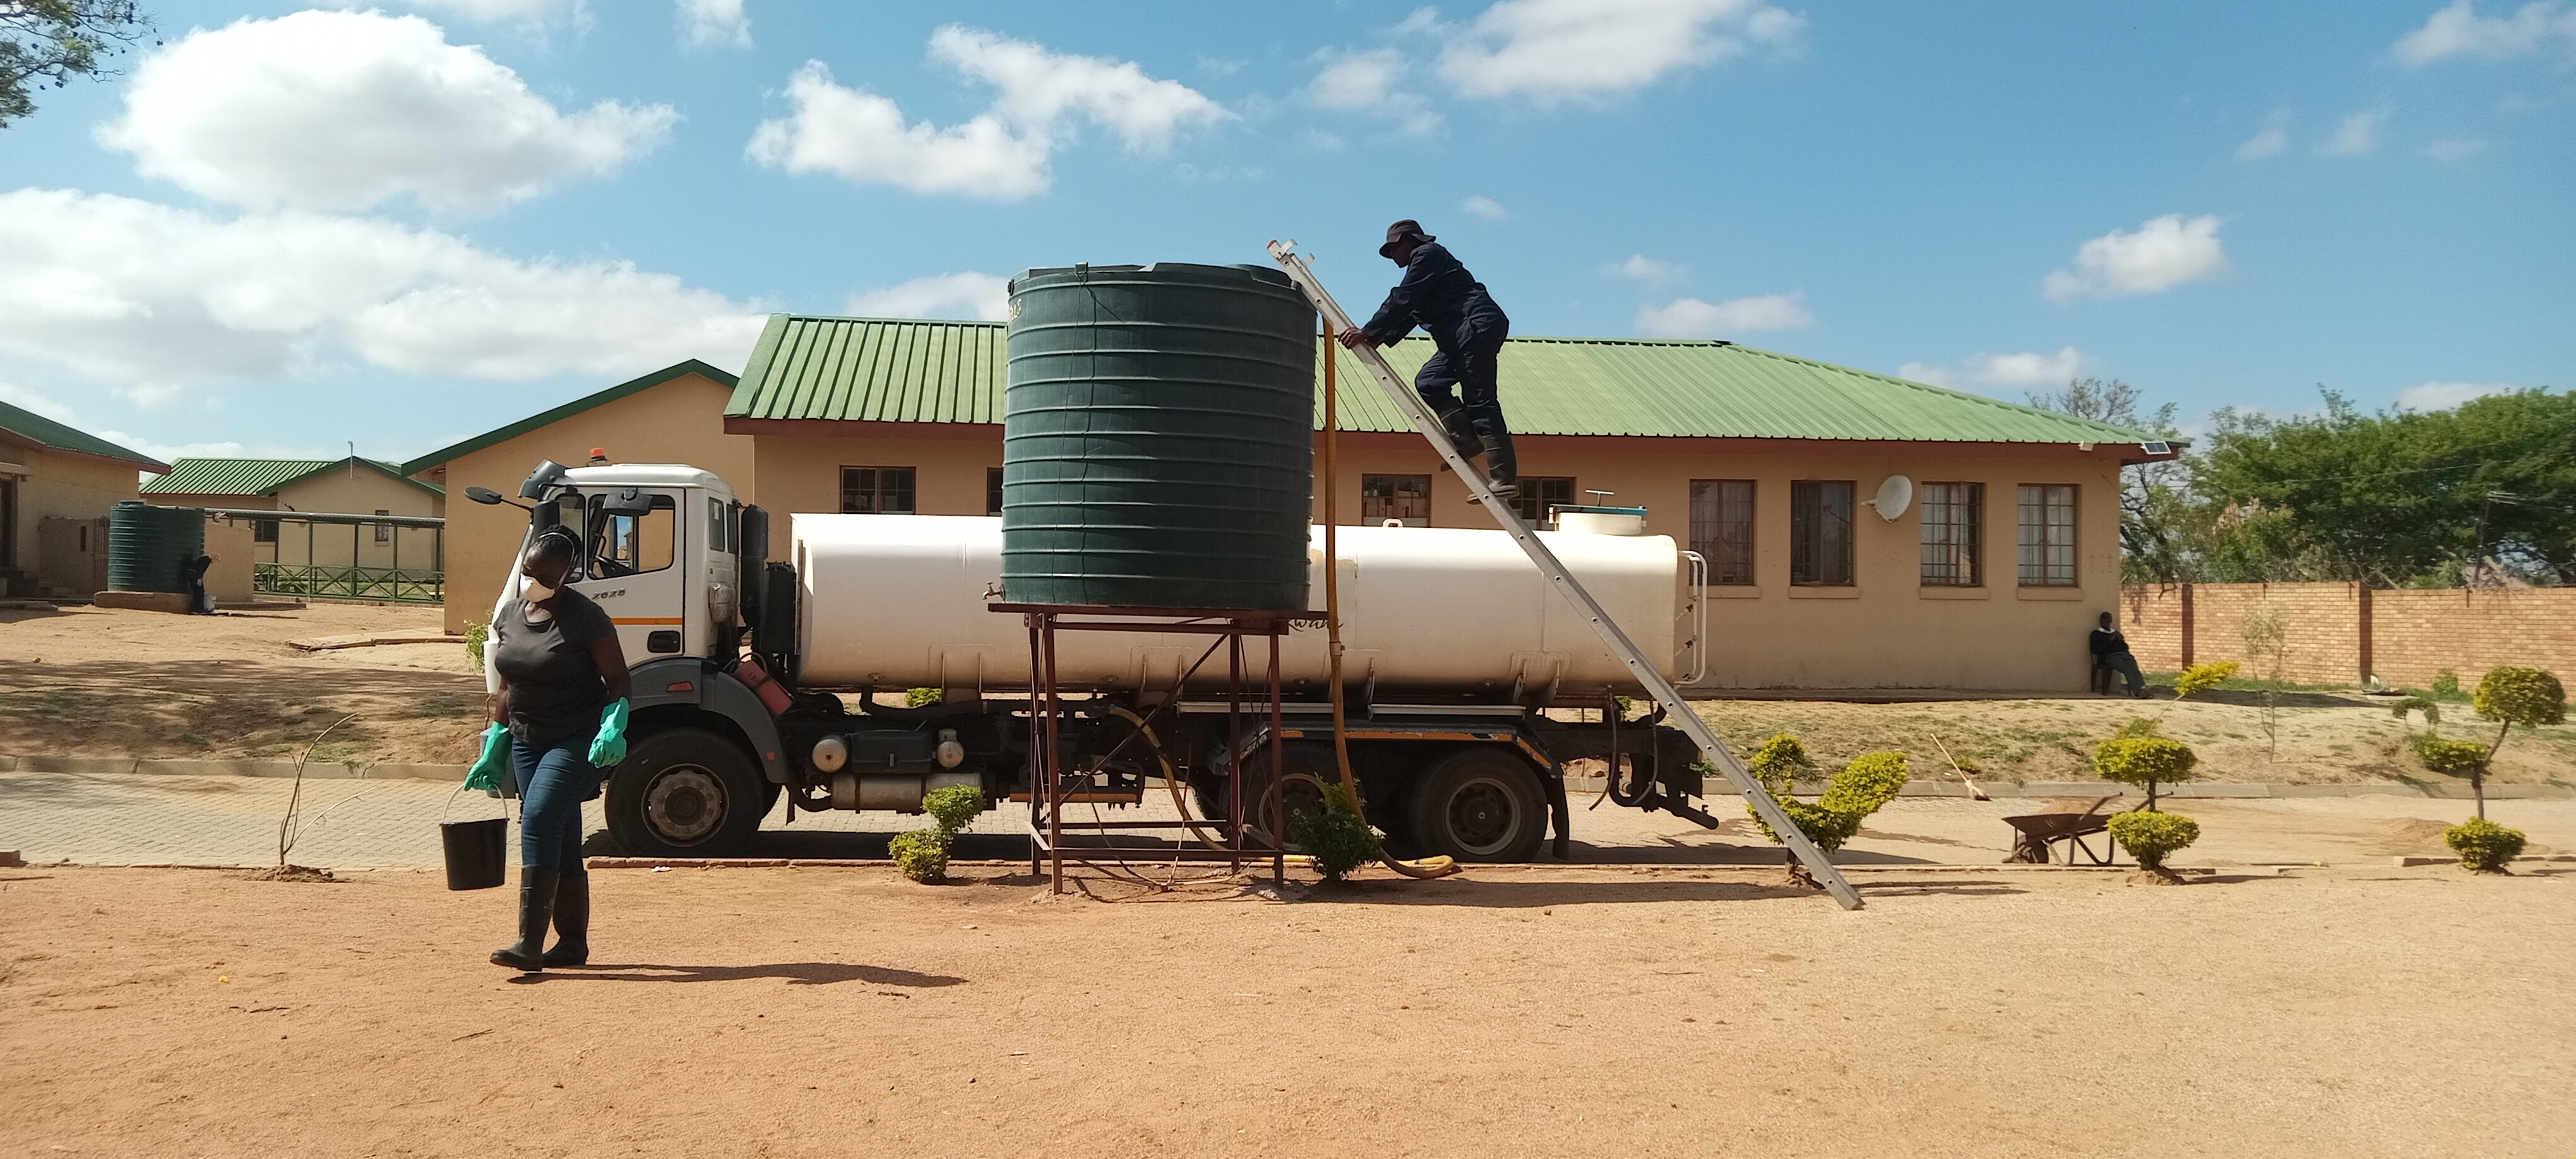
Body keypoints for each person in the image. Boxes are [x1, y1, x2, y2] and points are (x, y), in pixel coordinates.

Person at [469, 527, 632, 972]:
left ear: (565, 577)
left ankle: (529, 944)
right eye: (527, 572)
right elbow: (507, 683)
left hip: (576, 736)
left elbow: (618, 680)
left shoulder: (587, 619)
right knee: (558, 832)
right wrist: (496, 742)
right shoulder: (511, 614)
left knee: (540, 816)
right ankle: (572, 945)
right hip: (525, 739)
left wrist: (614, 725)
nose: (531, 582)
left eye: (543, 576)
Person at [1337, 219, 1518, 500]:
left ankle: (1503, 478)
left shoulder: (1429, 255)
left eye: (1394, 248)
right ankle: (1466, 440)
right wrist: (1376, 338)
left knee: (1480, 400)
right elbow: (1410, 312)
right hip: (1458, 336)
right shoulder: (1426, 269)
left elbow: (1404, 297)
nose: (1392, 255)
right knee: (1430, 381)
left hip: (1475, 326)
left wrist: (1367, 331)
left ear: (1411, 240)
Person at [2090, 611, 2147, 698]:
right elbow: (2095, 649)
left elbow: (2125, 647)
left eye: (2108, 619)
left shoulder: (2116, 633)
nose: (2106, 622)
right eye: (2104, 619)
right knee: (2127, 670)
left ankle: (2143, 688)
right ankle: (2138, 692)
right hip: (2111, 657)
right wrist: (2110, 640)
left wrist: (2120, 640)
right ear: (2101, 621)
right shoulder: (2096, 634)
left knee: (2135, 669)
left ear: (2111, 621)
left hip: (2124, 655)